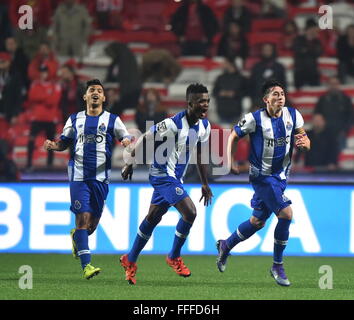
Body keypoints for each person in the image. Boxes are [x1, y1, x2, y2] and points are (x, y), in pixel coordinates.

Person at [216, 79, 311, 287]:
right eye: (275, 94)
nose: (280, 97)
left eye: (282, 94)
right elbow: (233, 135)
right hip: (262, 177)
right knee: (286, 214)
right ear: (266, 99)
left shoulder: (293, 115)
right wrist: (229, 159)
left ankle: (226, 245)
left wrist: (305, 144)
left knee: (257, 222)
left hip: (281, 176)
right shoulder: (254, 119)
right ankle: (277, 265)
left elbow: (304, 137)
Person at [119, 83, 213, 285]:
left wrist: (205, 184)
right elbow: (145, 137)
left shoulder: (205, 126)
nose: (205, 105)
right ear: (189, 103)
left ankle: (130, 259)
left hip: (175, 178)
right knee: (190, 212)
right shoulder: (173, 124)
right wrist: (130, 162)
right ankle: (173, 256)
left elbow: (199, 153)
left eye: (207, 101)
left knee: (153, 218)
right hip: (162, 174)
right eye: (200, 102)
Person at [44, 79, 132, 280]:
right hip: (79, 175)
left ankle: (77, 237)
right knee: (82, 219)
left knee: (90, 227)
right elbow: (63, 143)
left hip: (101, 178)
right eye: (91, 90)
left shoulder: (113, 120)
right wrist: (52, 145)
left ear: (103, 97)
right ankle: (87, 266)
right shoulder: (74, 119)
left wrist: (127, 142)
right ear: (85, 96)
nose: (95, 93)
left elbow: (125, 139)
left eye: (99, 91)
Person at [25, 65, 61, 170]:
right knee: (31, 139)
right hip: (37, 118)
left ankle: (49, 165)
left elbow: (53, 101)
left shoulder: (55, 86)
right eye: (41, 72)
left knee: (51, 142)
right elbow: (31, 97)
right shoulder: (35, 84)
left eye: (45, 71)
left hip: (50, 119)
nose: (42, 74)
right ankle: (29, 164)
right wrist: (47, 95)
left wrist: (41, 98)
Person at [314, 76, 353, 152]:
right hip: (325, 133)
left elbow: (351, 117)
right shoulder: (322, 100)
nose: (334, 86)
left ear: (339, 85)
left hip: (340, 134)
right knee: (324, 155)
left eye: (335, 84)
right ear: (328, 85)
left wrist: (344, 130)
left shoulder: (346, 99)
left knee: (340, 158)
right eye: (331, 84)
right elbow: (317, 115)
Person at [212, 58, 249, 123]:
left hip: (235, 111)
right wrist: (221, 93)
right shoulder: (220, 78)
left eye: (225, 63)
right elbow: (214, 92)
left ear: (231, 64)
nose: (223, 65)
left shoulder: (241, 78)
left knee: (234, 132)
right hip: (221, 111)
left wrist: (234, 94)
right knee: (222, 132)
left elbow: (246, 92)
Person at [292, 19, 323, 89]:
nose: (316, 32)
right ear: (310, 29)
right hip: (300, 70)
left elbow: (319, 52)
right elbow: (298, 50)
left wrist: (306, 50)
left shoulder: (317, 41)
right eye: (315, 30)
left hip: (313, 71)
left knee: (315, 90)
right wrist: (310, 50)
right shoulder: (298, 39)